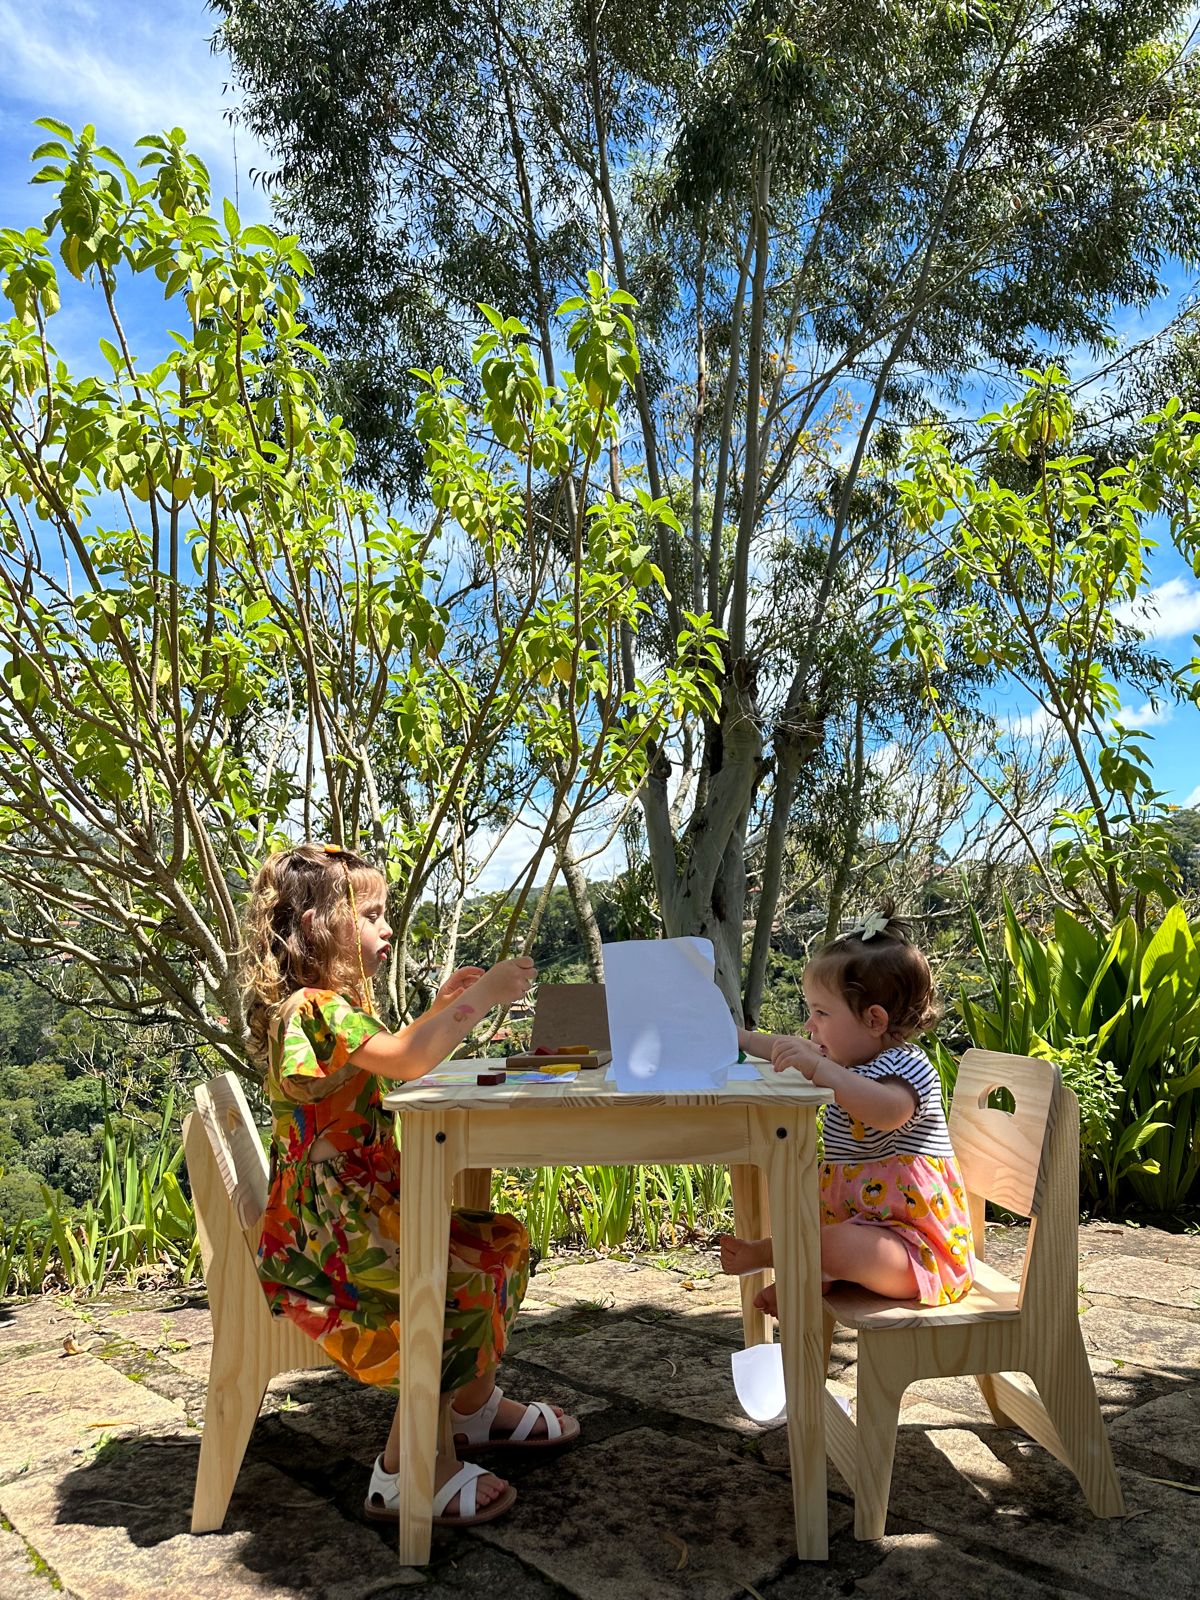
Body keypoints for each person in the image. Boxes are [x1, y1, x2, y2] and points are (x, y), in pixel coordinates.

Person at [242, 842, 578, 1529]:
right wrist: (478, 1001)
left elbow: (398, 1054)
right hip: (331, 1234)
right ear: (317, 928)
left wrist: (440, 1009)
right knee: (451, 1283)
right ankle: (405, 1470)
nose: (385, 927)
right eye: (369, 914)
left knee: (498, 1244)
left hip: (355, 1210)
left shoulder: (329, 1005)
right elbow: (406, 1062)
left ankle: (472, 1408)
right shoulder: (310, 1008)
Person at [720, 906, 975, 1314]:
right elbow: (784, 1048)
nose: (810, 1025)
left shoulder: (906, 1066)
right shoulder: (843, 1064)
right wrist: (738, 1037)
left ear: (874, 1019)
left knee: (829, 1241)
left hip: (917, 1251)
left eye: (822, 1012)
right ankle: (812, 1272)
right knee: (821, 1232)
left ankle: (775, 1254)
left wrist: (823, 1070)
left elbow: (889, 1111)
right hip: (870, 1236)